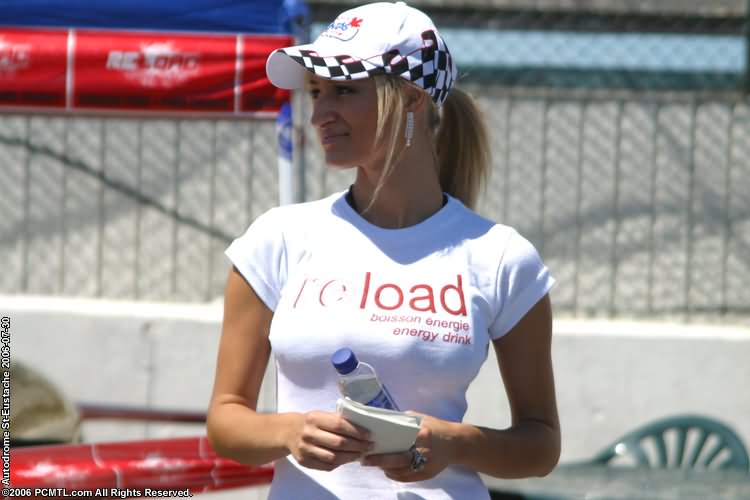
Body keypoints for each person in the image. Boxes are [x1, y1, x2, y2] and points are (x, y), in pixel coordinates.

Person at [206, 2, 560, 498]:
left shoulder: (501, 257)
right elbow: (225, 421)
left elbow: (540, 445)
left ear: (412, 98)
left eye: (344, 90)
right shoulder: (278, 238)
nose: (319, 114)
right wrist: (290, 431)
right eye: (316, 91)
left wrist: (453, 443)